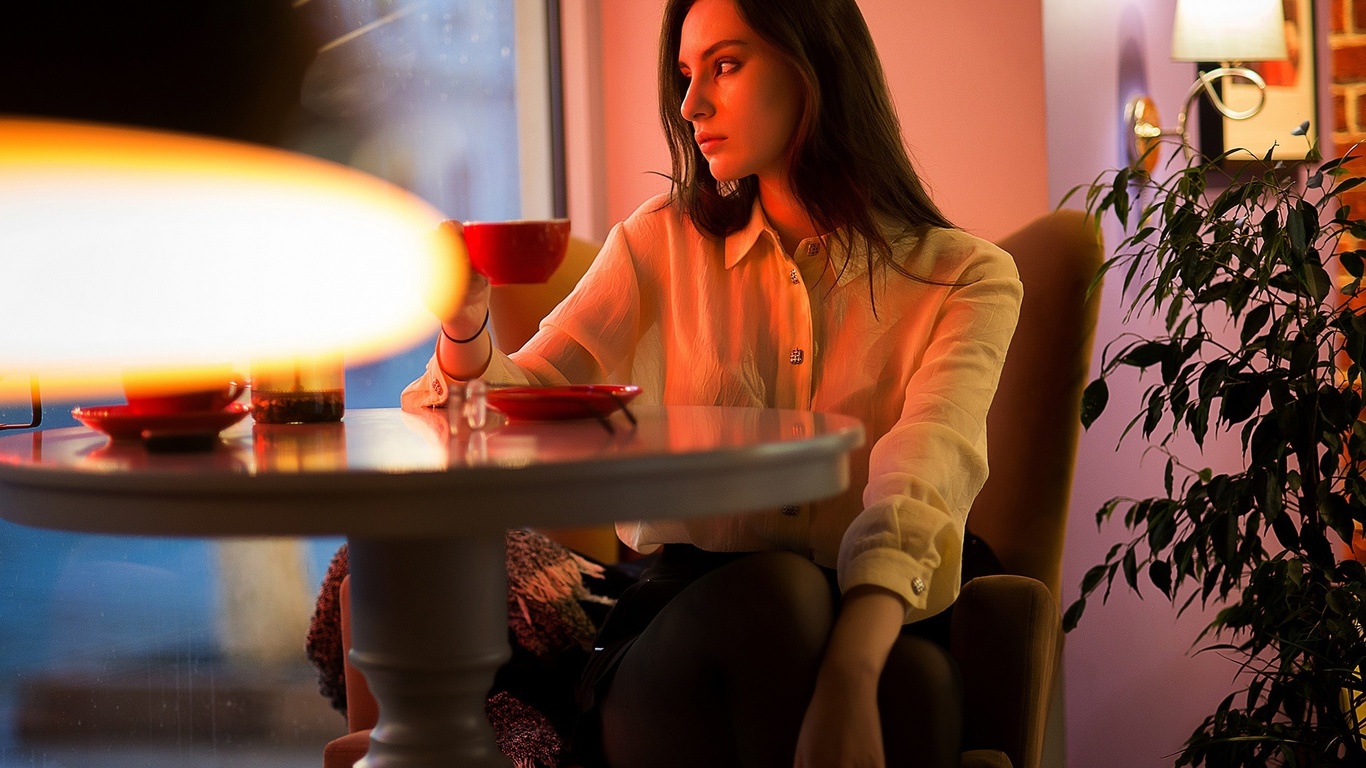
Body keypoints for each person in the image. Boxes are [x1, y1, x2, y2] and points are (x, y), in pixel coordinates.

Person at [401, 0, 1022, 765]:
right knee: (784, 598)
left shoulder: (963, 278)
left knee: (913, 680)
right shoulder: (656, 243)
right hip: (686, 626)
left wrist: (851, 671)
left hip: (876, 613)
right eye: (688, 74)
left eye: (725, 66)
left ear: (814, 65)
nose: (690, 104)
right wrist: (465, 327)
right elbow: (511, 408)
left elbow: (927, 470)